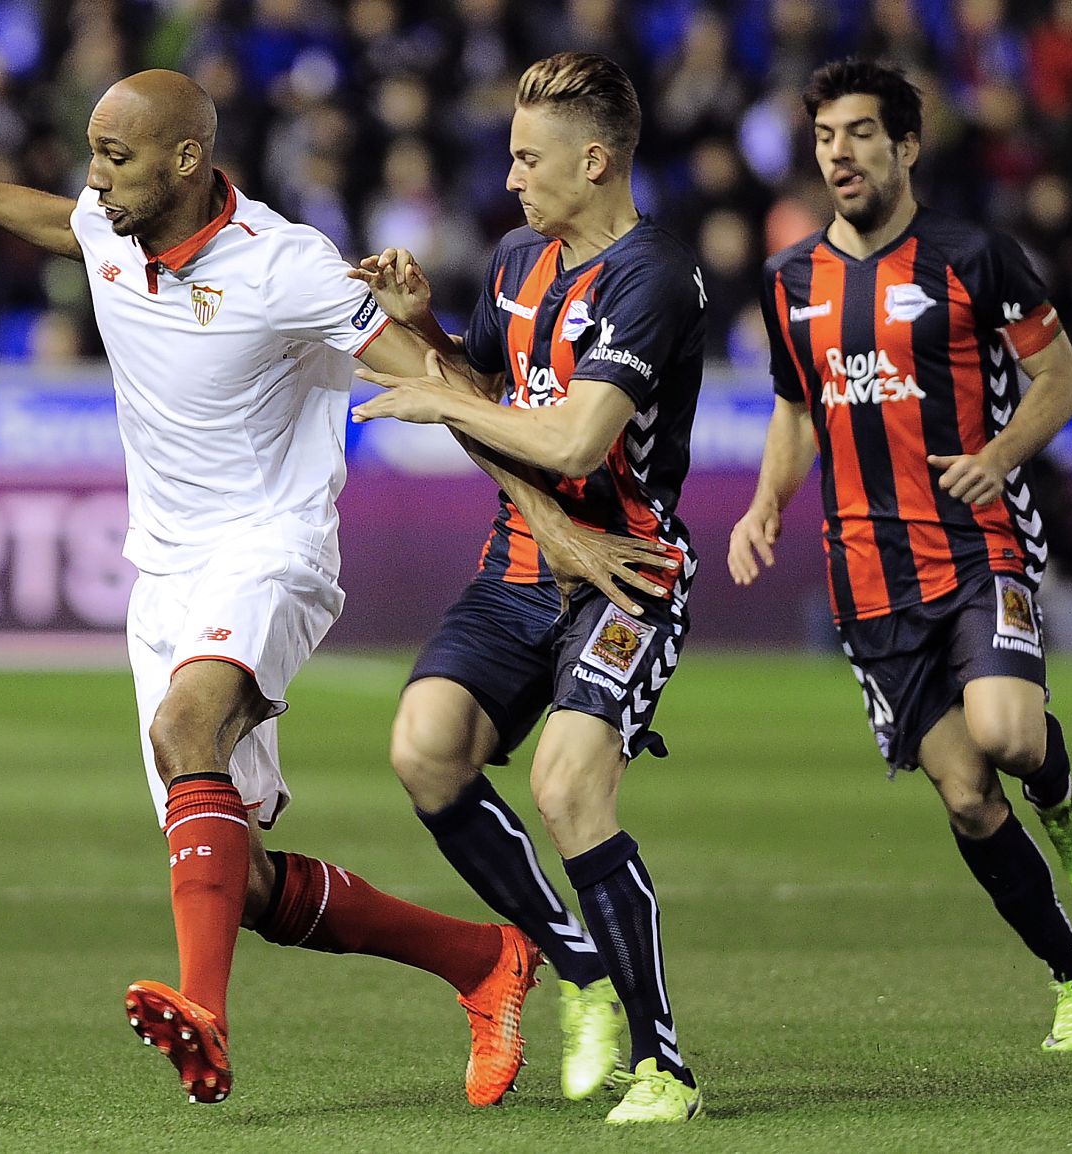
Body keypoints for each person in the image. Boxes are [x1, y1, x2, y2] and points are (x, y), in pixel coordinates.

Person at [0, 70, 640, 1107]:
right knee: (241, 878)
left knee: (185, 731)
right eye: (92, 154)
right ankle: (483, 960)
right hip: (165, 570)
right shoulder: (113, 225)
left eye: (115, 157)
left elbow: (436, 383)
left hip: (272, 546)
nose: (95, 179)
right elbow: (62, 223)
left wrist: (542, 514)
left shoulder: (285, 265)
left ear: (187, 159)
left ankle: (206, 1014)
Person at [727, 58, 1072, 1051]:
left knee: (1008, 735)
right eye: (825, 137)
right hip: (867, 576)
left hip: (978, 544)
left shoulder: (976, 256)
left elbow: (1060, 379)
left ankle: (1058, 792)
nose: (839, 153)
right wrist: (765, 503)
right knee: (967, 796)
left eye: (860, 133)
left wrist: (997, 456)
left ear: (905, 145)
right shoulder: (789, 281)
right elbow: (795, 407)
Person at [351, 52, 708, 1124]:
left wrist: (439, 402)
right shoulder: (515, 257)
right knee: (423, 747)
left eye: (527, 157)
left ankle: (664, 1067)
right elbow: (487, 388)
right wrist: (425, 332)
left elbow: (573, 437)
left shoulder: (654, 278)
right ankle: (576, 966)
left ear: (594, 160)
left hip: (624, 573)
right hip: (516, 564)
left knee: (566, 786)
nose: (510, 178)